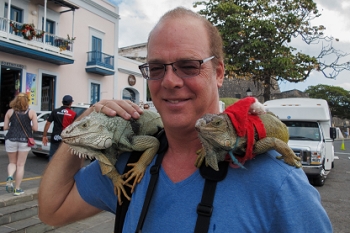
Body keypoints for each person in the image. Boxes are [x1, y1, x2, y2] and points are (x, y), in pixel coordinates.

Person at [38, 7, 332, 232]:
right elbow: (51, 210)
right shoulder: (128, 162)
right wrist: (86, 119)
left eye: (188, 66)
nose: (169, 81)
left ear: (218, 73)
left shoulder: (278, 181)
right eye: (156, 68)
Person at [4, 93, 38, 196]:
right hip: (24, 140)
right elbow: (35, 128)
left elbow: (5, 127)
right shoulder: (31, 112)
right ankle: (17, 189)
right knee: (20, 164)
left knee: (12, 163)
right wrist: (28, 127)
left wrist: (14, 127)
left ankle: (10, 176)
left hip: (11, 139)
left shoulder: (10, 112)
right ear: (26, 101)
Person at [42, 95, 77, 160]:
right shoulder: (73, 114)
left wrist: (44, 135)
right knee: (65, 159)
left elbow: (48, 123)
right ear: (71, 103)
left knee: (53, 156)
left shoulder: (55, 111)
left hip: (55, 137)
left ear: (62, 102)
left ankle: (51, 169)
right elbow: (75, 127)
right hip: (67, 139)